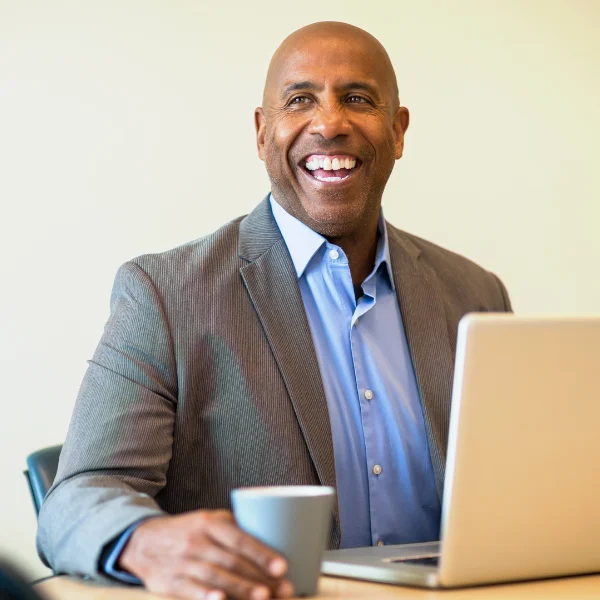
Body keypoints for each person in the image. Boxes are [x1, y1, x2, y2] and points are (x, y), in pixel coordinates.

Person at [37, 21, 511, 600]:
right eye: (299, 100)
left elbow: (522, 492)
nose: (331, 123)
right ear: (263, 133)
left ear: (398, 130)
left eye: (357, 99)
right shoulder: (163, 294)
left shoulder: (475, 296)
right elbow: (79, 495)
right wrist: (144, 541)